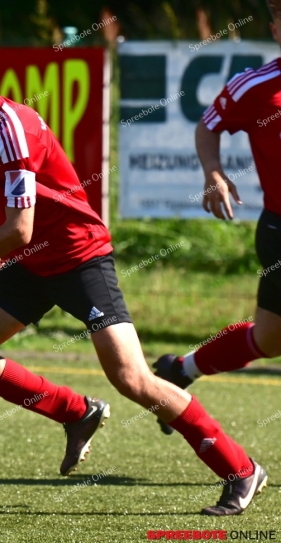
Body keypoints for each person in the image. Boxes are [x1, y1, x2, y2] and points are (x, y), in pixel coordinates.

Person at [0, 31, 267, 515]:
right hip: (34, 261)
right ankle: (75, 411)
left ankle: (240, 468)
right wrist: (6, 248)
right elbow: (21, 218)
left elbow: (19, 229)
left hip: (80, 257)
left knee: (132, 378)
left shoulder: (9, 128)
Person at [152, 1, 281, 435]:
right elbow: (208, 124)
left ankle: (180, 369)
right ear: (275, 30)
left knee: (268, 340)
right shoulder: (256, 88)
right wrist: (214, 174)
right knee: (269, 339)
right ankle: (180, 371)